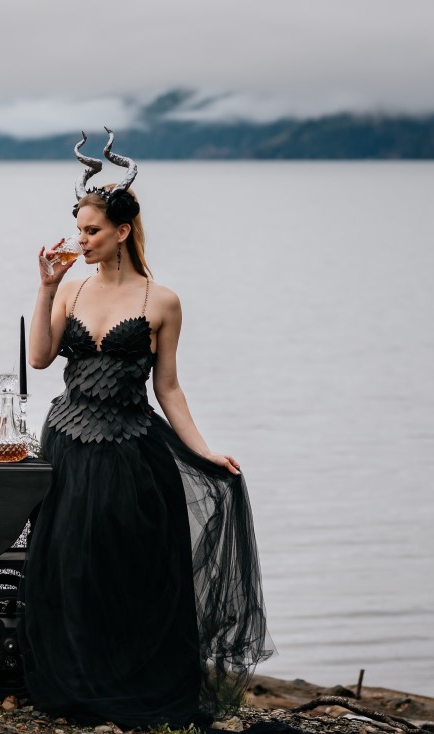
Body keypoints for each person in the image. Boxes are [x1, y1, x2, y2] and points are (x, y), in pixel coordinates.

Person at [21, 131, 273, 727]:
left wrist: (204, 451)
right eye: (79, 229)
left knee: (127, 568)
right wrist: (46, 286)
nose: (80, 242)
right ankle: (77, 682)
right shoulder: (72, 287)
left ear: (122, 232)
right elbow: (38, 359)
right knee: (70, 566)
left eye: (91, 232)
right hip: (69, 442)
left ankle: (131, 681)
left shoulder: (162, 300)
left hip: (131, 447)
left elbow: (169, 388)